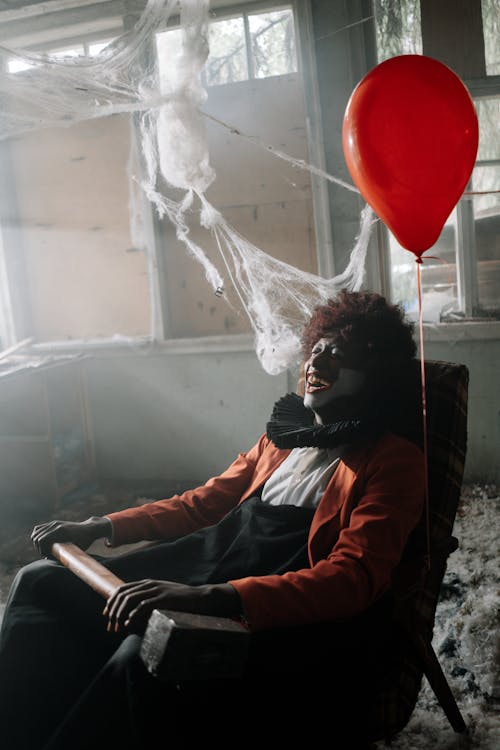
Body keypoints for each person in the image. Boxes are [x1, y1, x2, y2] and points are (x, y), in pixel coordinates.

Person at [0, 290, 425, 749]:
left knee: (147, 654)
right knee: (39, 581)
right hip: (206, 563)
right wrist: (101, 526)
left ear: (376, 374)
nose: (320, 359)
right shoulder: (284, 440)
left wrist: (205, 598)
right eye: (318, 348)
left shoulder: (394, 461)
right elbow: (201, 504)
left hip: (268, 612)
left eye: (341, 353)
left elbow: (350, 579)